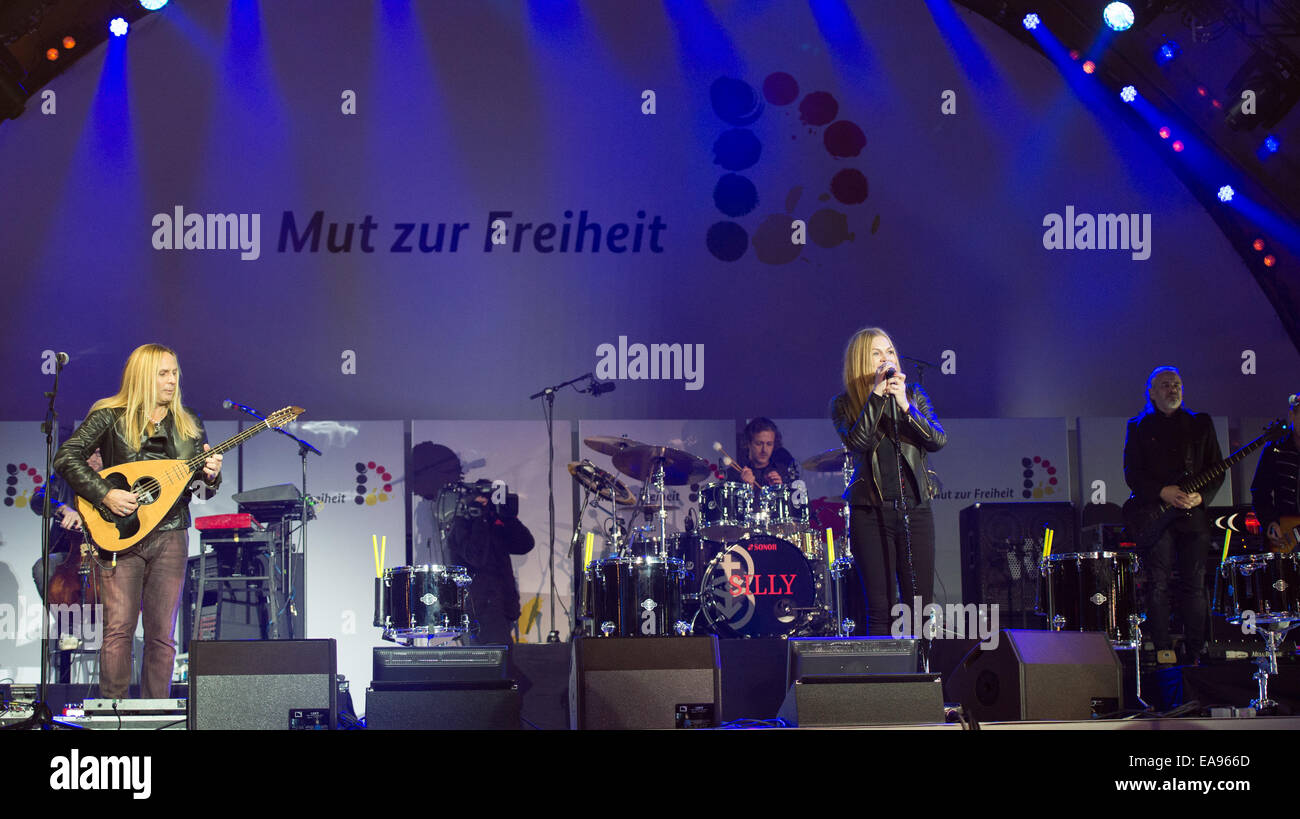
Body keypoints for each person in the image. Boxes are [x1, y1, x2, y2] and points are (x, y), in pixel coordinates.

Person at [53, 344, 222, 699]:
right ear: (143, 376)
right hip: (122, 533)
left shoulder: (189, 422)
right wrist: (105, 494)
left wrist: (211, 475)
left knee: (162, 634)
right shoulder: (110, 415)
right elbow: (67, 457)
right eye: (163, 373)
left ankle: (155, 712)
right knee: (118, 629)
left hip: (171, 532)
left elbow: (204, 488)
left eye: (175, 372)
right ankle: (113, 712)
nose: (172, 380)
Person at [830, 328, 946, 636]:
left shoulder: (914, 395)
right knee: (881, 610)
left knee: (920, 609)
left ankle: (924, 679)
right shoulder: (843, 404)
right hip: (871, 514)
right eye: (877, 354)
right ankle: (882, 683)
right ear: (860, 362)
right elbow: (858, 441)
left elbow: (938, 439)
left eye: (890, 352)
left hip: (916, 511)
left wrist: (905, 406)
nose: (886, 359)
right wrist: (877, 397)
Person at [1123, 366, 1222, 666]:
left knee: (1195, 582)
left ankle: (1197, 651)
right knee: (1159, 581)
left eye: (1177, 384)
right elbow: (1132, 474)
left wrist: (1201, 496)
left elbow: (1216, 468)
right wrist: (1162, 492)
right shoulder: (1138, 426)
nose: (1172, 389)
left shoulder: (1200, 424)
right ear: (1151, 392)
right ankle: (1163, 648)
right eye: (1165, 385)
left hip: (1192, 514)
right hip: (1156, 514)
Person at [444, 486, 534, 645]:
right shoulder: (461, 526)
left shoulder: (495, 523)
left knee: (499, 663)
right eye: (482, 502)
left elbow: (525, 544)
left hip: (505, 605)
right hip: (482, 606)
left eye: (488, 502)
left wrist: (508, 517)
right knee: (498, 663)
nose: (486, 506)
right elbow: (476, 556)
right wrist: (479, 518)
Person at [1251, 394, 1300, 552]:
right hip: (1285, 534)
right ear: (1292, 415)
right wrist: (1270, 522)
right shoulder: (1275, 448)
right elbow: (1260, 492)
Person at [736, 417, 800, 487]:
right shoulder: (735, 473)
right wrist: (745, 488)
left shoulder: (785, 473)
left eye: (769, 444)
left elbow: (801, 497)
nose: (764, 450)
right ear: (748, 443)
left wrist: (779, 490)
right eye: (759, 444)